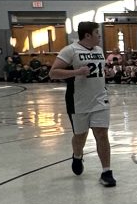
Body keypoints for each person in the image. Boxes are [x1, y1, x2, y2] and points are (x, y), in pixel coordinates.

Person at [49, 20, 116, 187]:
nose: (99, 36)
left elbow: (97, 71)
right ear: (87, 35)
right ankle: (77, 155)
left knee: (102, 134)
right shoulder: (70, 50)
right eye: (97, 33)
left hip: (100, 99)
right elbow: (53, 73)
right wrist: (77, 72)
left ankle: (106, 172)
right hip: (78, 101)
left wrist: (106, 72)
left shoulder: (99, 50)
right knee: (80, 135)